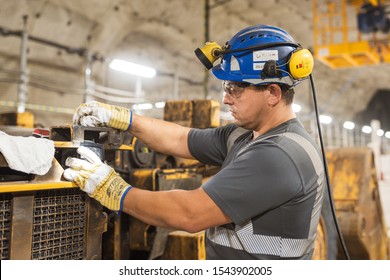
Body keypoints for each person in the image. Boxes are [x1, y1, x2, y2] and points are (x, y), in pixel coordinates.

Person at [64, 24, 325, 260]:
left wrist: (115, 191)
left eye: (235, 89)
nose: (226, 99)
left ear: (272, 93)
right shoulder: (244, 135)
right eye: (225, 88)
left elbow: (189, 214)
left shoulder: (279, 155)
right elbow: (180, 138)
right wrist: (124, 119)